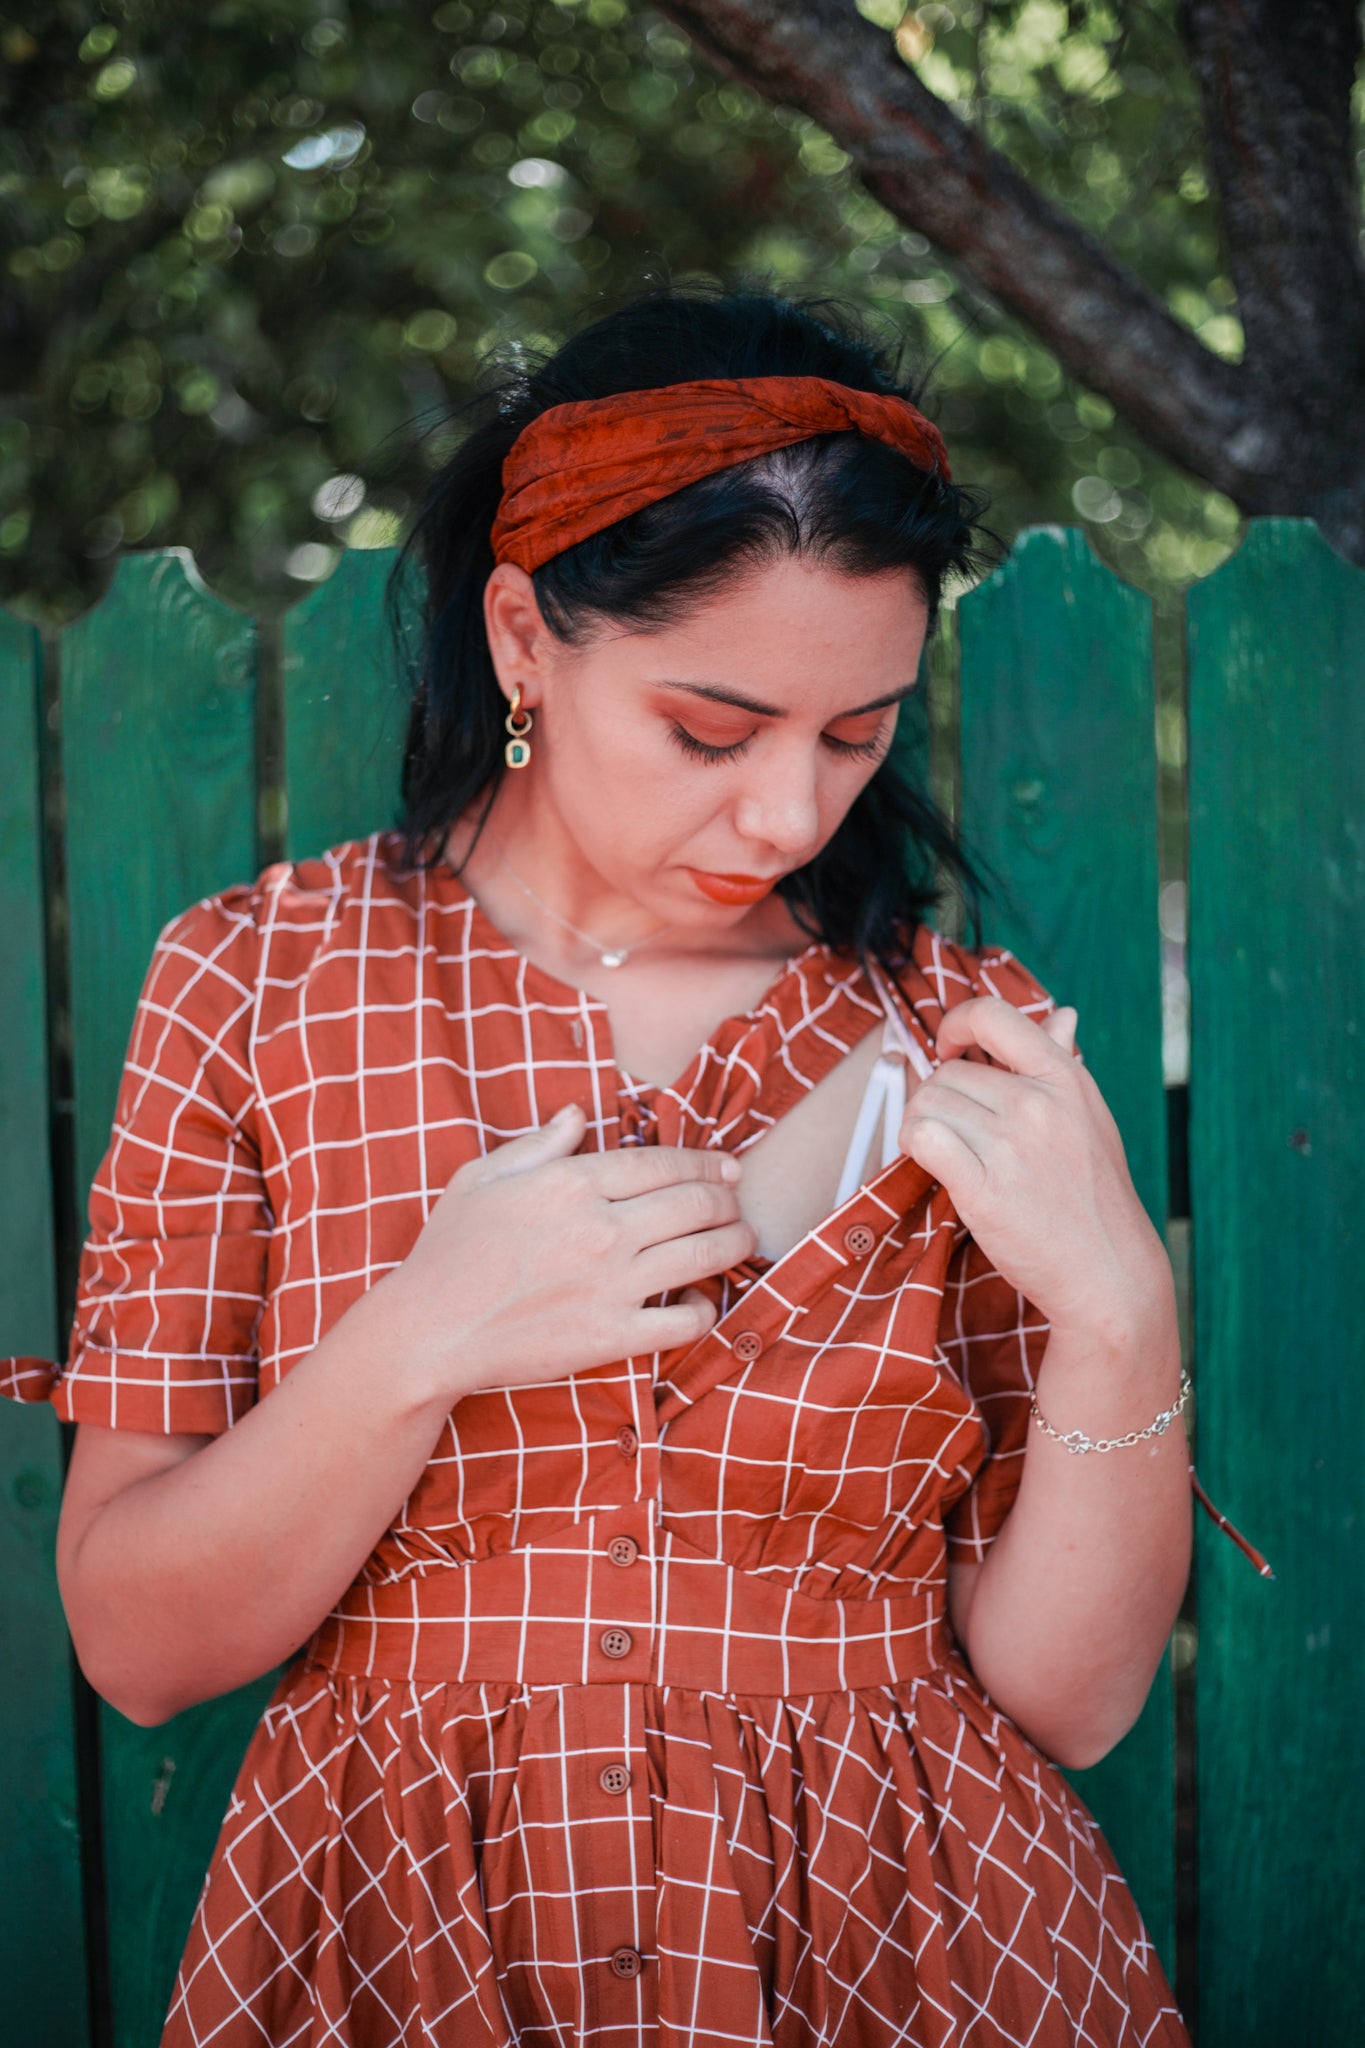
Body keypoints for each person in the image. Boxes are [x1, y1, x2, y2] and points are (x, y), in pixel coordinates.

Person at [4, 284, 1261, 2046]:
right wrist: (424, 1333)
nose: (787, 817)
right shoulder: (256, 977)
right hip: (400, 1932)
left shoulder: (970, 1045)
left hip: (926, 1943)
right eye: (709, 728)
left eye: (856, 733)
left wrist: (1120, 1303)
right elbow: (139, 1648)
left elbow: (1071, 1698)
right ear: (524, 637)